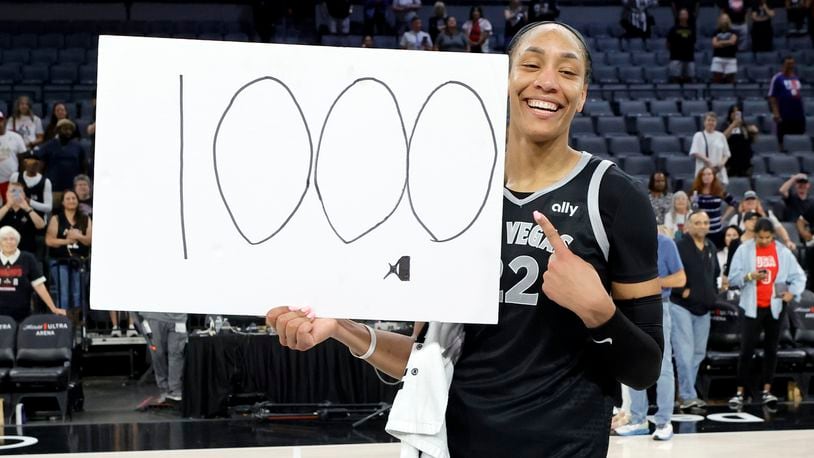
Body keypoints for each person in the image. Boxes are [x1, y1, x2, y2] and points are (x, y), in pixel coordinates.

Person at [267, 21, 665, 457]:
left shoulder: (615, 197)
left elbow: (644, 369)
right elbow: (425, 361)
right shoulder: (453, 194)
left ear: (583, 95)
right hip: (456, 445)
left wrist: (598, 311)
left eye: (568, 73)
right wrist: (342, 329)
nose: (547, 82)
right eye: (530, 65)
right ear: (503, 79)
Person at [727, 218, 806, 409]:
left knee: (771, 350)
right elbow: (732, 279)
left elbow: (799, 276)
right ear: (754, 235)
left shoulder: (783, 252)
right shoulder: (744, 250)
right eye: (760, 237)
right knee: (746, 350)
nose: (764, 241)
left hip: (775, 307)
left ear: (773, 235)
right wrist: (749, 276)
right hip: (751, 307)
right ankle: (740, 392)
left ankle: (767, 390)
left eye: (767, 237)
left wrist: (792, 293)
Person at [615, 227, 684, 440]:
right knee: (633, 363)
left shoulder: (665, 243)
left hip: (659, 306)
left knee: (662, 365)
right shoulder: (623, 242)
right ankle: (638, 420)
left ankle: (664, 422)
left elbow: (680, 279)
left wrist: (654, 282)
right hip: (628, 307)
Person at [671, 210, 718, 410]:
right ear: (688, 226)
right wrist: (682, 291)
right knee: (684, 352)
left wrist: (713, 294)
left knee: (698, 353)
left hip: (704, 308)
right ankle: (688, 395)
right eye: (697, 222)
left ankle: (685, 392)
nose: (702, 226)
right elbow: (666, 270)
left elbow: (715, 273)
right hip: (681, 306)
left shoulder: (711, 247)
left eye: (705, 222)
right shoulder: (679, 246)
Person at [0, 225, 64, 322]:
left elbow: (39, 285)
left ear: (17, 242)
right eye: (5, 239)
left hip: (22, 313)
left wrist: (53, 308)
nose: (9, 242)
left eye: (12, 239)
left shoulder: (28, 258)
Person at [45, 190, 91, 312]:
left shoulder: (85, 219)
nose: (71, 201)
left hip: (80, 262)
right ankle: (63, 323)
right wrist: (67, 240)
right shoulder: (56, 219)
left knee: (78, 293)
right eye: (68, 198)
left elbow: (89, 240)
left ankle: (77, 324)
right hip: (60, 262)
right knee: (63, 293)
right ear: (62, 202)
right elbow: (49, 241)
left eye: (73, 198)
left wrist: (78, 236)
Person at [141, 312, 188, 402]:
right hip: (153, 317)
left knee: (177, 354)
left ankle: (176, 391)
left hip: (179, 318)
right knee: (157, 354)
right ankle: (164, 390)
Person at [36, 119, 89, 198]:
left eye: (70, 129)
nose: (68, 131)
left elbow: (84, 167)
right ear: (57, 130)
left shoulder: (78, 147)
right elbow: (40, 167)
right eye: (65, 129)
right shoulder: (48, 146)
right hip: (53, 187)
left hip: (72, 189)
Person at [728, 190, 796, 251]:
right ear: (742, 203)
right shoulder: (737, 218)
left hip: (765, 246)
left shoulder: (768, 214)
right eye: (747, 200)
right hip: (744, 248)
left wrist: (787, 241)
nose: (750, 201)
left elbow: (779, 228)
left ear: (758, 202)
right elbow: (730, 234)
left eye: (753, 199)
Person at [690, 167, 737, 248]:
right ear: (700, 177)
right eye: (704, 174)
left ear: (713, 176)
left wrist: (724, 217)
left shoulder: (719, 190)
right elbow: (692, 208)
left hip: (716, 230)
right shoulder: (696, 191)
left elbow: (733, 203)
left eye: (709, 174)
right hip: (701, 230)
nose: (706, 176)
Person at [769, 56, 806, 151]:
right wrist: (776, 113)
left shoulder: (796, 78)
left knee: (798, 138)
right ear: (783, 65)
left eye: (792, 64)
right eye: (788, 64)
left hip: (798, 114)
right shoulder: (777, 78)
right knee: (782, 139)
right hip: (784, 114)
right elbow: (772, 97)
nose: (790, 66)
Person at [0, 182, 46, 255]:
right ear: (7, 194)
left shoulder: (30, 210)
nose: (16, 194)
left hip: (25, 253)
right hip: (4, 253)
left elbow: (41, 225)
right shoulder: (2, 210)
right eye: (13, 191)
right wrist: (8, 205)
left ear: (24, 195)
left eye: (19, 191)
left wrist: (27, 208)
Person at [690, 112, 731, 185]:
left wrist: (721, 163)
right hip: (703, 171)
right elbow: (694, 152)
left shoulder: (721, 136)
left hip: (718, 172)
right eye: (709, 120)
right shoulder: (698, 135)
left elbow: (726, 154)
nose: (711, 123)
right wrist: (707, 160)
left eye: (713, 121)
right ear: (704, 122)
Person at [9, 153, 53, 218]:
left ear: (39, 164)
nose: (32, 165)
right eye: (30, 162)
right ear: (25, 163)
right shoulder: (15, 177)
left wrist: (29, 201)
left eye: (35, 163)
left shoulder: (46, 182)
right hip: (18, 218)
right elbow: (10, 198)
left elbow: (48, 208)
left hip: (38, 219)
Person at [723, 104, 757, 177]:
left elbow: (752, 141)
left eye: (738, 112)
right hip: (731, 161)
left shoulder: (744, 126)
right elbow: (722, 138)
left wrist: (754, 133)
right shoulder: (726, 125)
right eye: (733, 112)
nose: (735, 114)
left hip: (744, 160)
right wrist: (734, 124)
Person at [0, 111, 26, 198]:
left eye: (0, 120)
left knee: (15, 207)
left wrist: (21, 178)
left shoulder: (16, 137)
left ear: (4, 121)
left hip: (13, 181)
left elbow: (23, 159)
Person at [667, 8, 696, 84]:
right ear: (679, 16)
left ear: (688, 16)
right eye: (682, 14)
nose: (684, 16)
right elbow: (668, 43)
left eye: (685, 14)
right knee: (675, 79)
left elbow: (693, 42)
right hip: (676, 57)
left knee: (689, 79)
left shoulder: (692, 29)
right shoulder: (673, 29)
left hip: (689, 58)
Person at [711, 13, 738, 84]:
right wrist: (727, 42)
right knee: (717, 80)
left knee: (731, 80)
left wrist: (720, 42)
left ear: (729, 20)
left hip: (730, 58)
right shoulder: (716, 32)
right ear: (719, 20)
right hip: (718, 58)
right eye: (723, 19)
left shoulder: (733, 32)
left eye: (726, 19)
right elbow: (714, 44)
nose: (724, 21)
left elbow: (732, 42)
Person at [717, 224, 743, 290]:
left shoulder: (744, 253)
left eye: (734, 235)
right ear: (724, 238)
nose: (731, 238)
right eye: (728, 235)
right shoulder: (718, 255)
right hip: (722, 290)